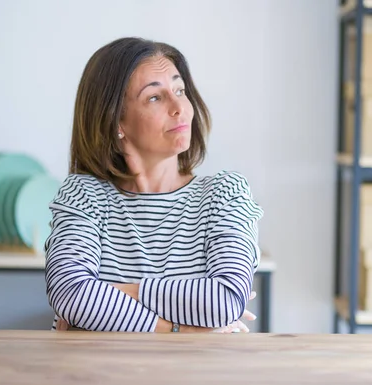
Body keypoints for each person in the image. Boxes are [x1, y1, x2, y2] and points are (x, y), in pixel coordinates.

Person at [44, 37, 264, 333]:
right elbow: (70, 293)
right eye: (155, 97)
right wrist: (179, 329)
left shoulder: (225, 195)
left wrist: (112, 293)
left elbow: (225, 301)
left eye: (179, 90)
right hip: (103, 377)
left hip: (200, 378)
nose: (180, 108)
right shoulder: (83, 197)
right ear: (116, 121)